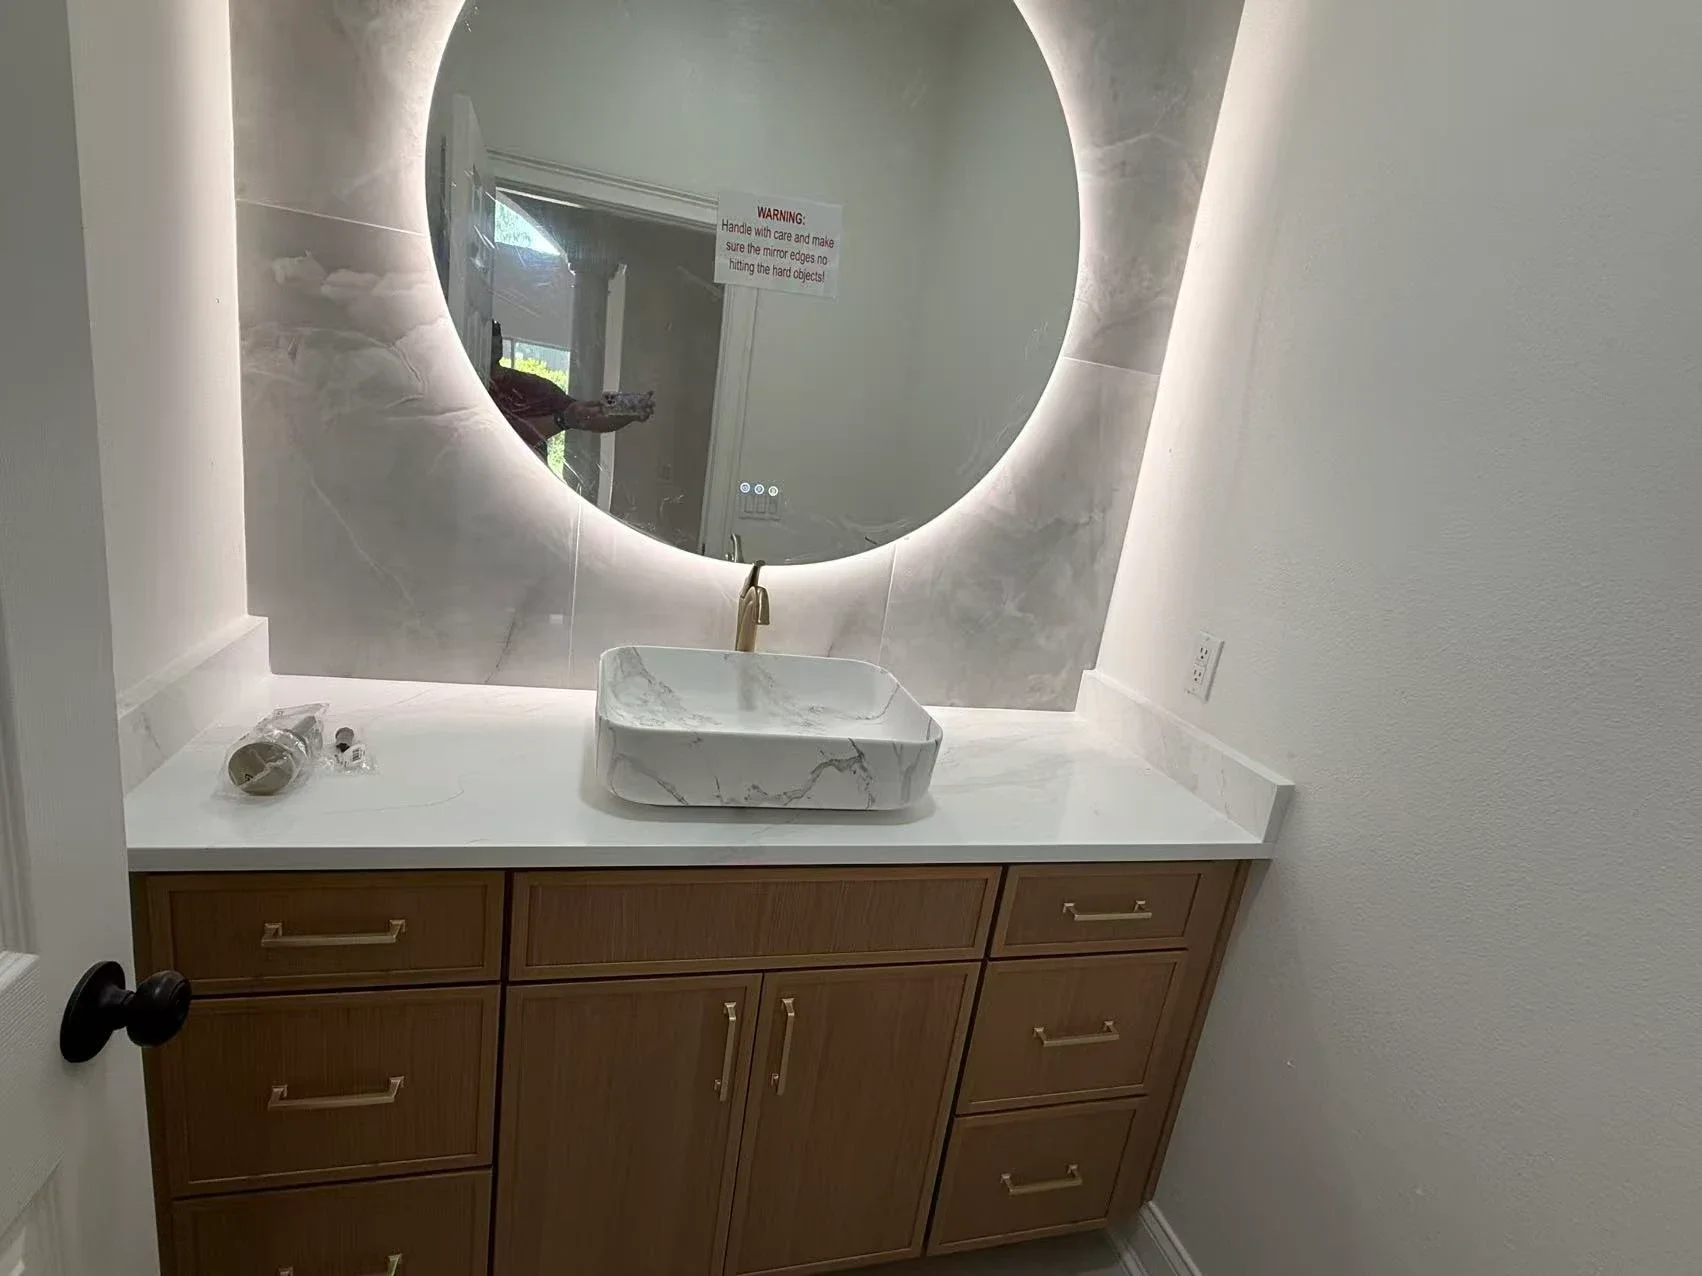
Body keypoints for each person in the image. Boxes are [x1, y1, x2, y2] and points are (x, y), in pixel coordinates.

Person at [488, 320, 655, 457]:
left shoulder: (530, 386)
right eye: (493, 337)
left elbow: (585, 416)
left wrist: (629, 413)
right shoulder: (476, 391)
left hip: (525, 480)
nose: (496, 343)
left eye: (497, 338)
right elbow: (500, 434)